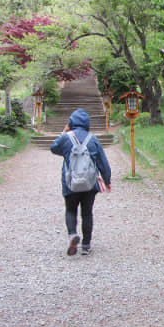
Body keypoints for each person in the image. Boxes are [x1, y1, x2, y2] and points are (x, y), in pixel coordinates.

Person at [50, 108, 111, 256]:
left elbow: (53, 148)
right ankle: (86, 245)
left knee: (70, 210)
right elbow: (103, 162)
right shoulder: (93, 139)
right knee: (87, 213)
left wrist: (64, 132)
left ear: (71, 122)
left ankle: (72, 235)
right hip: (90, 183)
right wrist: (107, 180)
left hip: (70, 183)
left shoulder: (66, 138)